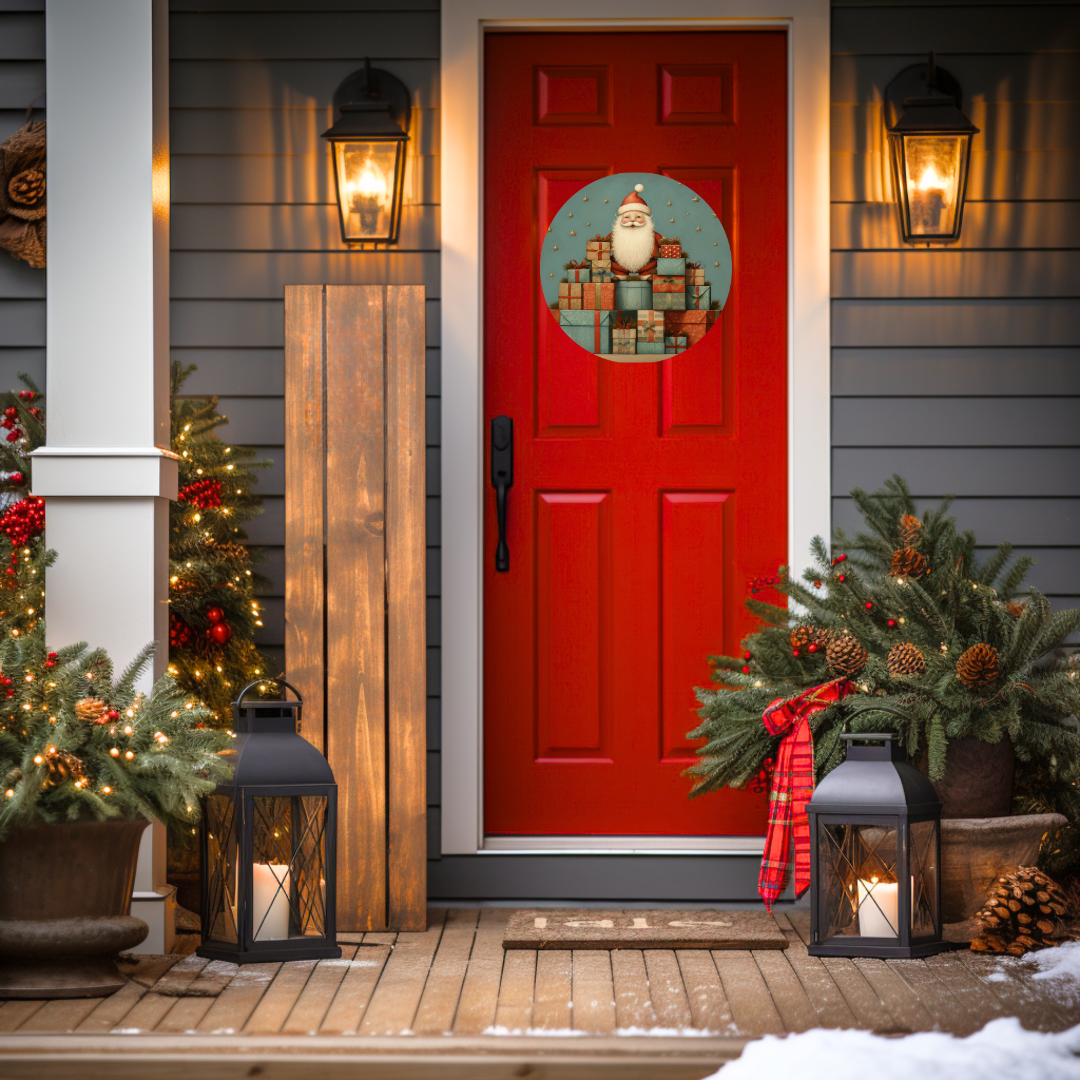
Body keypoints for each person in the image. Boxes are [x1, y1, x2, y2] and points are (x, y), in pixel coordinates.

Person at [608, 184, 663, 279]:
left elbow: (661, 242)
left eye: (638, 217)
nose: (632, 220)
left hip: (648, 264)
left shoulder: (652, 234)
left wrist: (666, 243)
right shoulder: (615, 234)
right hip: (619, 265)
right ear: (620, 219)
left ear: (646, 219)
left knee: (655, 262)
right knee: (609, 262)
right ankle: (620, 274)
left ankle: (646, 274)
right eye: (627, 217)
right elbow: (604, 245)